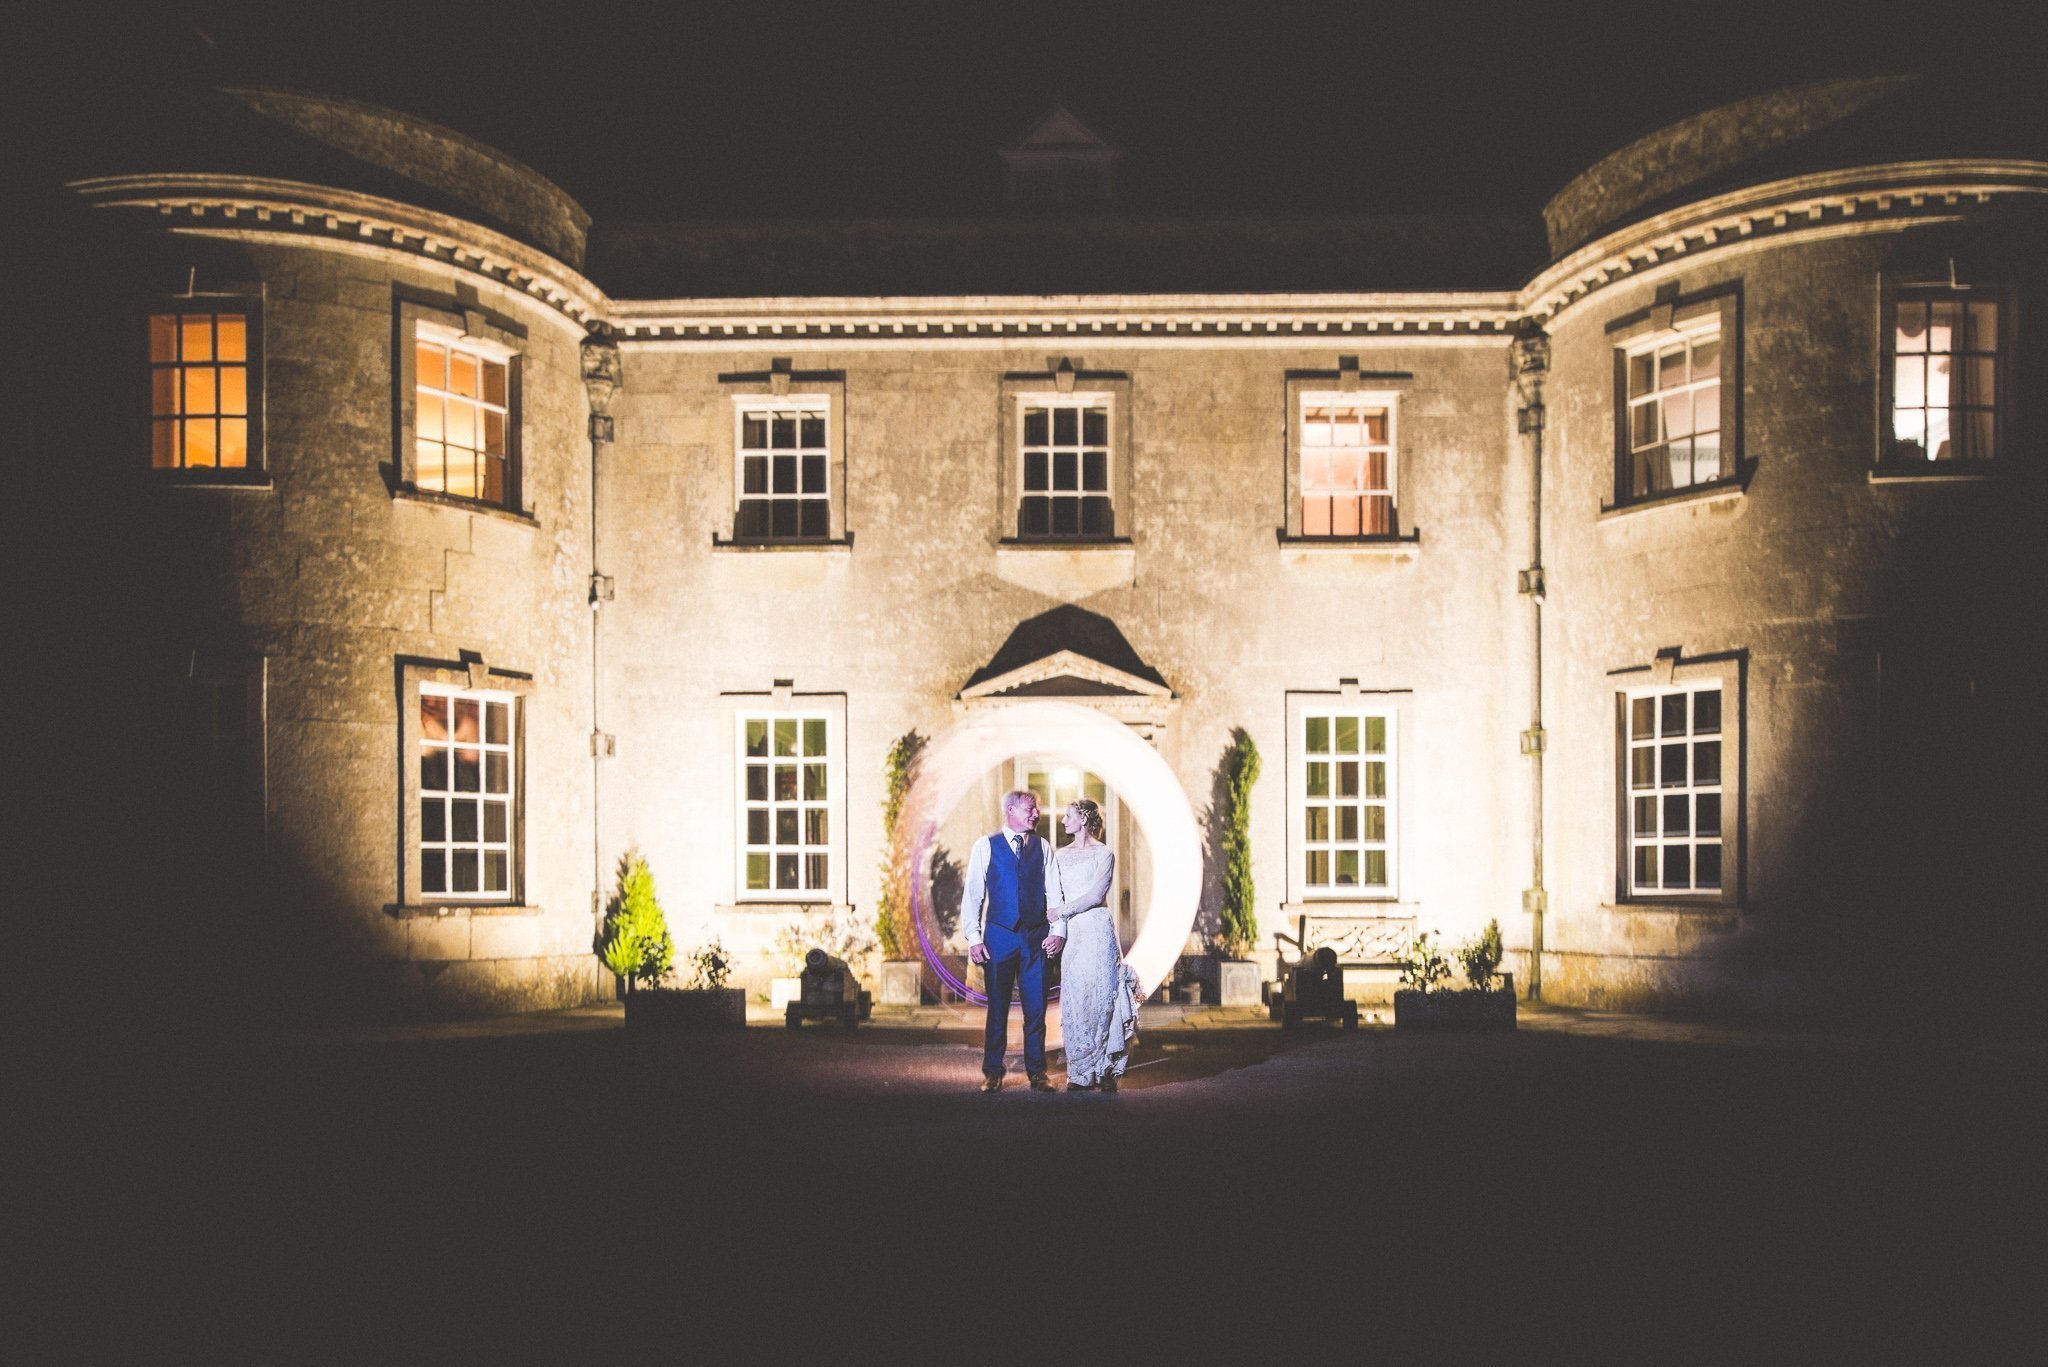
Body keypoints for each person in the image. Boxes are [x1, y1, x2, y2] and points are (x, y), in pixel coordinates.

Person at [961, 789, 1058, 1092]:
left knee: (1036, 1008)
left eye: (1036, 809)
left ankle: (1038, 1072)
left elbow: (1055, 892)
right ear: (1011, 811)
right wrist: (974, 938)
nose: (1036, 813)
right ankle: (992, 1071)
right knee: (998, 1008)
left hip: (1036, 938)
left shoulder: (1043, 847)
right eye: (1030, 808)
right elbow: (973, 895)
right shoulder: (985, 846)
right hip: (999, 938)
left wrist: (1058, 931)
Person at [1046, 798, 1140, 1092]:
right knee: (1076, 998)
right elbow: (1053, 894)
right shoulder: (1059, 856)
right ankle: (1080, 1072)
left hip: (1097, 930)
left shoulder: (1105, 854)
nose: (1063, 821)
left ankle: (1106, 1069)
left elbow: (1096, 894)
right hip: (1074, 934)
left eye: (1068, 816)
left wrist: (1060, 912)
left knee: (1102, 997)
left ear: (1084, 819)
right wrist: (1057, 926)